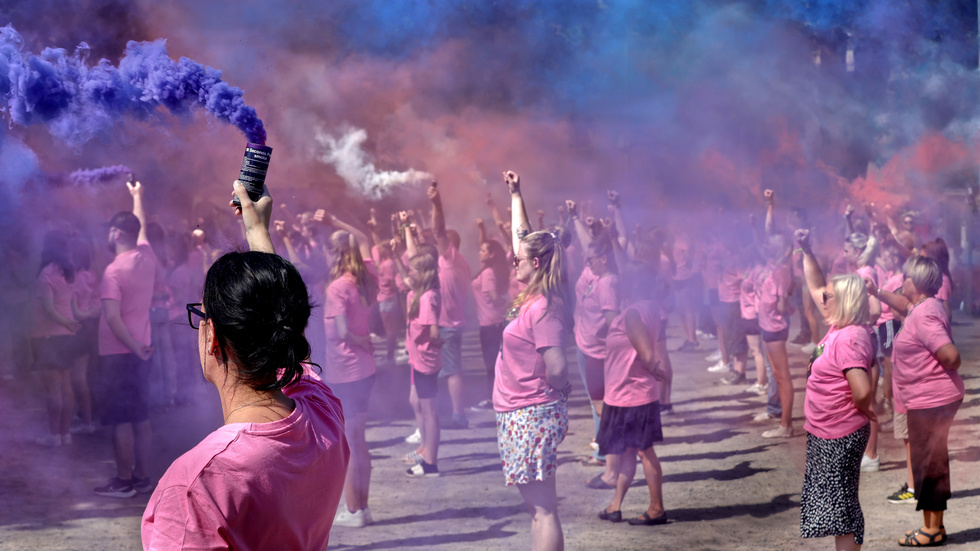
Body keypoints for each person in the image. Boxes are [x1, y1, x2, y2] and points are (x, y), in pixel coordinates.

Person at [141, 180, 349, 550]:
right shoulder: (323, 413)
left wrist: (257, 230)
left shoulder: (198, 484)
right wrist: (257, 231)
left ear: (214, 338)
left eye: (200, 316)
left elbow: (285, 339)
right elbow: (288, 346)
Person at [494, 170, 572, 551]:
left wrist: (555, 390)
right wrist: (516, 195)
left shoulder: (543, 308)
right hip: (523, 412)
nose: (514, 260)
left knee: (543, 510)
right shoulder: (531, 292)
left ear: (537, 263)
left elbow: (557, 366)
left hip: (532, 412)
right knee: (538, 509)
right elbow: (522, 239)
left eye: (519, 260)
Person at [796, 229, 876, 551]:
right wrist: (806, 250)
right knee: (836, 507)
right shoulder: (838, 326)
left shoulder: (850, 337)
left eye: (829, 296)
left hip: (839, 434)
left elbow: (861, 388)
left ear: (843, 301)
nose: (821, 298)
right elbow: (815, 284)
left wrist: (865, 407)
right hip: (826, 431)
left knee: (843, 508)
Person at [884, 256, 963, 547]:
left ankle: (932, 530)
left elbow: (950, 356)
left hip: (933, 401)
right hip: (925, 400)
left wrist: (945, 366)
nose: (901, 281)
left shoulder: (925, 313)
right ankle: (932, 526)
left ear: (915, 283)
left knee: (930, 465)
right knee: (928, 464)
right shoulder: (921, 307)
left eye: (904, 277)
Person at [94, 181, 159, 498]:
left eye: (110, 230)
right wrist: (138, 196)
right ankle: (143, 477)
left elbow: (112, 317)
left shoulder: (113, 271)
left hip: (122, 355)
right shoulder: (146, 256)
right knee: (141, 417)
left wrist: (133, 349)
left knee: (121, 420)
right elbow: (141, 227)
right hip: (143, 351)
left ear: (117, 234)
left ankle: (123, 483)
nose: (107, 235)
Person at [595, 257, 669, 527]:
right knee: (627, 452)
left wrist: (655, 370)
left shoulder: (635, 313)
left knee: (643, 451)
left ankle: (656, 508)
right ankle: (615, 505)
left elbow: (647, 354)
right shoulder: (647, 308)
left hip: (632, 395)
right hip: (624, 394)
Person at [322, 223, 379, 527]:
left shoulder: (338, 288)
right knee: (359, 441)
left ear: (336, 254)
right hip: (365, 370)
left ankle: (355, 510)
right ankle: (363, 508)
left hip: (346, 372)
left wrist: (360, 339)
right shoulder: (365, 278)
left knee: (350, 443)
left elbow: (343, 332)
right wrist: (335, 218)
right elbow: (367, 239)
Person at [393, 212, 444, 478]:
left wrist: (436, 342)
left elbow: (434, 330)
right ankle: (425, 451)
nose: (408, 272)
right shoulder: (420, 291)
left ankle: (431, 462)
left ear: (422, 272)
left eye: (413, 268)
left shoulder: (427, 298)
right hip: (418, 358)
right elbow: (407, 279)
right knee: (417, 402)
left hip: (426, 360)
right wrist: (395, 256)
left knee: (430, 410)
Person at [427, 183, 472, 429]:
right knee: (446, 368)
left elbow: (438, 229)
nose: (436, 243)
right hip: (450, 323)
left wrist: (437, 204)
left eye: (440, 241)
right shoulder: (456, 263)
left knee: (453, 369)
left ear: (449, 245)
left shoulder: (451, 259)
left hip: (448, 325)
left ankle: (458, 415)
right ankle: (451, 411)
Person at [32, 229, 83, 447]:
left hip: (48, 336)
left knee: (53, 389)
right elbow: (71, 306)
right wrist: (72, 323)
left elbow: (49, 310)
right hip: (67, 336)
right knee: (65, 386)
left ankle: (54, 436)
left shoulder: (46, 275)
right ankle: (65, 434)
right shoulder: (69, 272)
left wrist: (65, 323)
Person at [470, 219, 510, 410]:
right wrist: (481, 229)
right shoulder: (490, 270)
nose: (480, 252)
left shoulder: (487, 273)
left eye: (484, 250)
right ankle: (496, 396)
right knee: (496, 362)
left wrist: (505, 304)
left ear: (491, 254)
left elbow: (494, 296)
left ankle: (493, 398)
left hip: (491, 325)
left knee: (491, 363)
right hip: (494, 323)